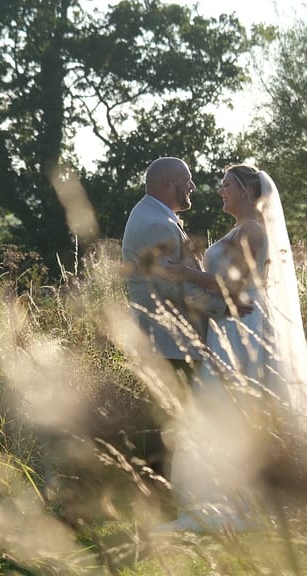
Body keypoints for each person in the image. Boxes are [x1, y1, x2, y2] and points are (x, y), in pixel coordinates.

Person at [159, 164, 307, 532]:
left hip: (244, 325)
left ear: (248, 192)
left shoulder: (251, 231)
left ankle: (240, 497)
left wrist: (185, 273)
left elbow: (231, 287)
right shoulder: (240, 229)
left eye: (227, 185)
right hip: (231, 324)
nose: (221, 190)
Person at [121, 157, 236, 480]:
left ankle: (168, 493)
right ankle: (161, 498)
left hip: (164, 339)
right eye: (187, 180)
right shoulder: (157, 223)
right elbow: (172, 288)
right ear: (167, 184)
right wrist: (225, 308)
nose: (193, 187)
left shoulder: (154, 215)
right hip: (169, 341)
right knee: (166, 425)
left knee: (168, 422)